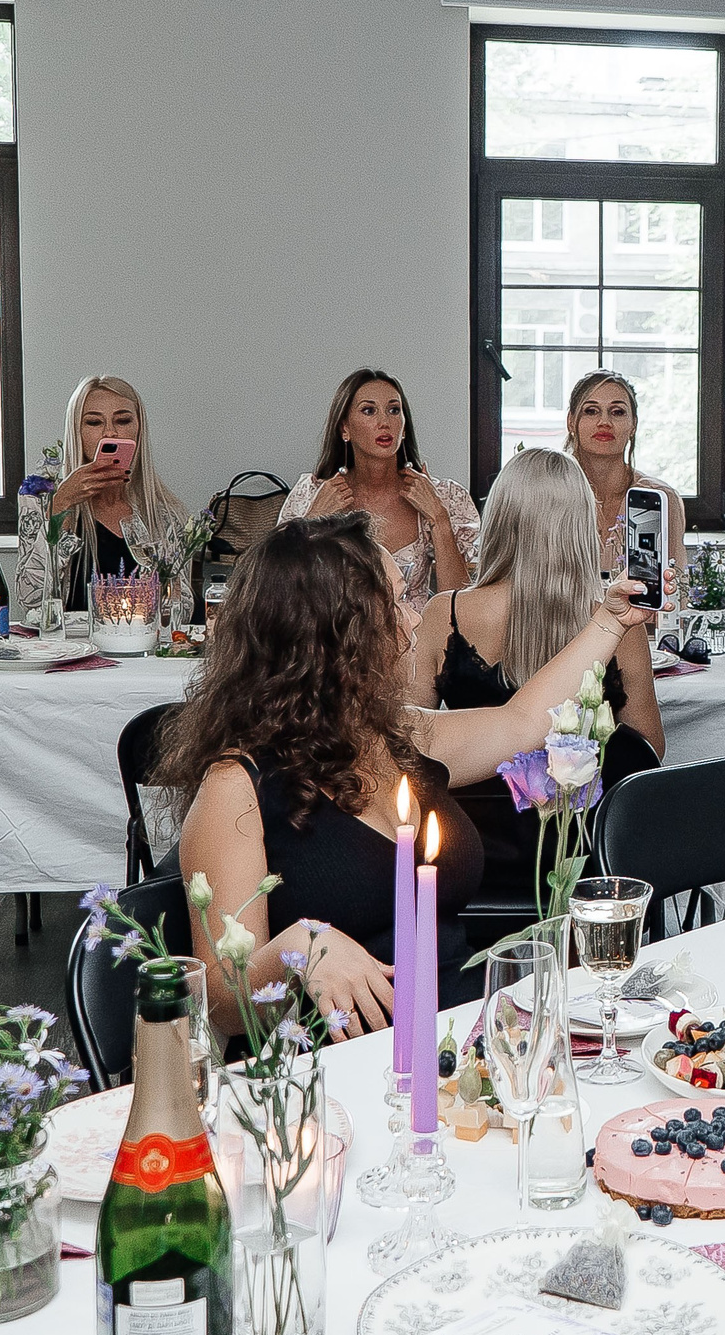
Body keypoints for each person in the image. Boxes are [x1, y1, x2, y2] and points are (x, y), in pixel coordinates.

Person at [160, 512, 655, 1028]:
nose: (415, 618)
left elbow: (523, 721)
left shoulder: (395, 734)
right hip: (336, 1066)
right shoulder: (234, 787)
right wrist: (303, 947)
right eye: (396, 602)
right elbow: (217, 999)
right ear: (336, 635)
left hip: (462, 1032)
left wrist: (612, 620)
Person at [408, 448, 665, 907]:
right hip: (582, 860)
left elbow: (412, 748)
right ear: (580, 526)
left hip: (464, 857)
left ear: (500, 519)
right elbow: (646, 751)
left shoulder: (442, 615)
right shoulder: (614, 626)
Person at [278, 368, 479, 612]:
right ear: (345, 429)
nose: (384, 422)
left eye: (394, 410)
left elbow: (457, 607)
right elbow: (278, 592)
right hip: (335, 646)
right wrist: (311, 523)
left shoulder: (444, 496)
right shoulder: (311, 494)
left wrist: (438, 518)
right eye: (369, 410)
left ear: (404, 428)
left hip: (416, 644)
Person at [49, 373, 188, 610]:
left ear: (138, 429)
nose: (110, 433)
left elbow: (181, 608)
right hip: (72, 646)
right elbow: (31, 600)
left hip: (140, 642)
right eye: (94, 422)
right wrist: (62, 504)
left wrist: (167, 591)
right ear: (77, 432)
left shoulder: (164, 514)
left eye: (123, 421)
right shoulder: (44, 503)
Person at [565, 369, 687, 580]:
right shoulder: (548, 493)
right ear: (571, 421)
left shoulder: (656, 497)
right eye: (591, 411)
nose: (604, 422)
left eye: (618, 412)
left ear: (633, 425)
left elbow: (670, 590)